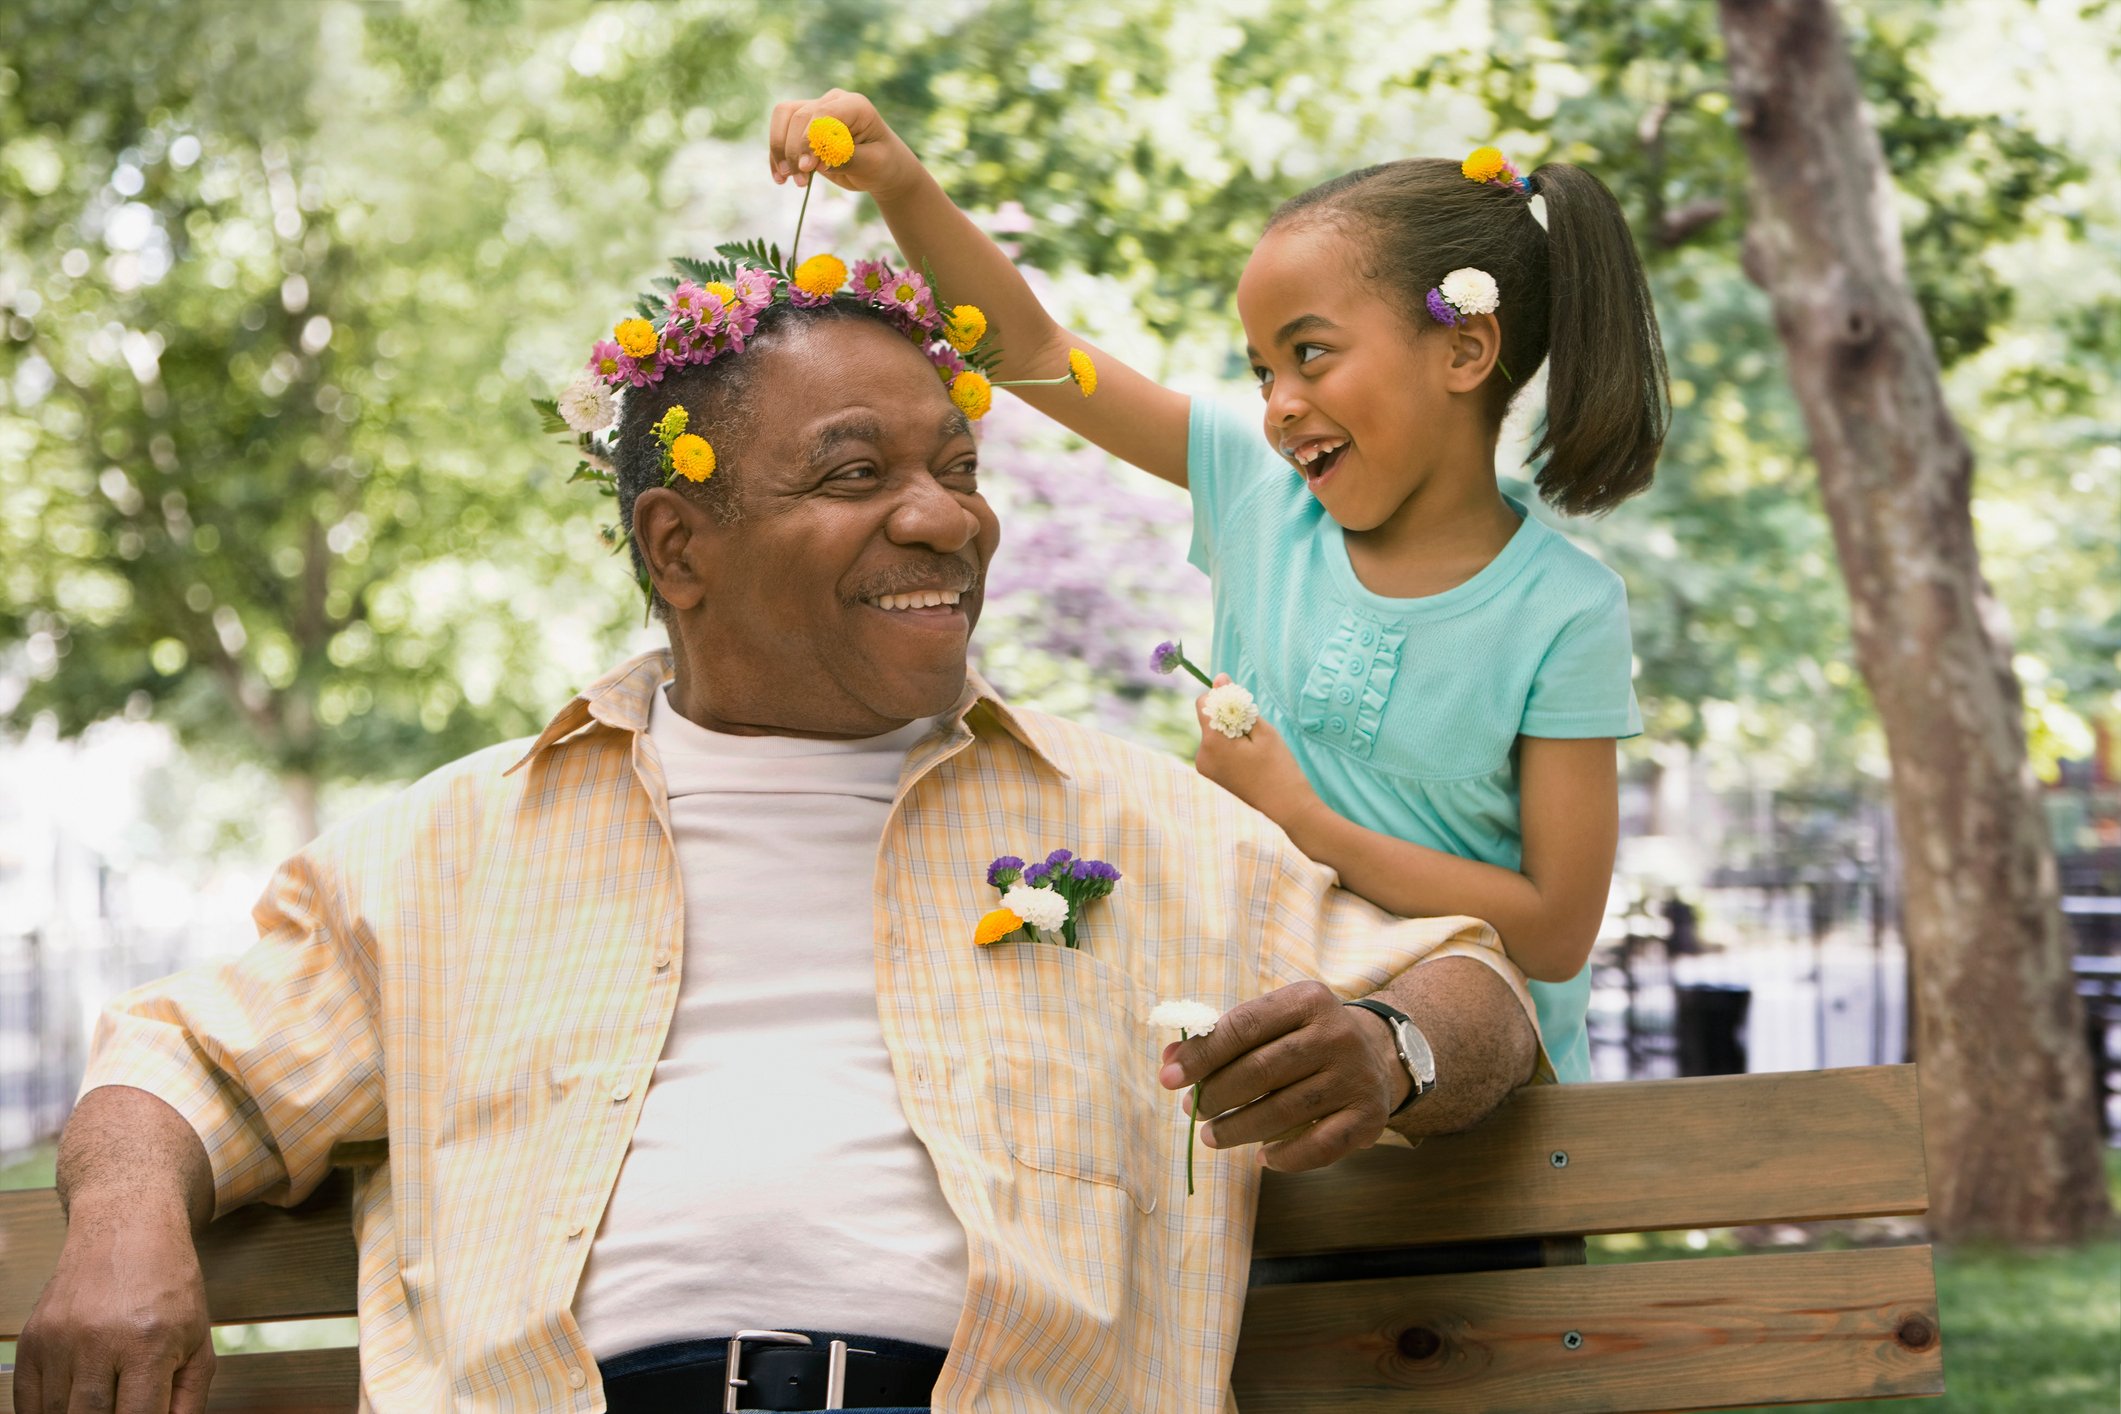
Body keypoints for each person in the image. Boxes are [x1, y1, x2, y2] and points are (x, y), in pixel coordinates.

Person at [14, 277, 1545, 1413]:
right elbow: (181, 1059)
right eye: (856, 474)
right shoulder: (449, 851)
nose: (946, 519)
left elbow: (1468, 983)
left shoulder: (1141, 823)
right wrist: (126, 1228)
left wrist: (1389, 1045)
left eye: (955, 466)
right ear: (680, 547)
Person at [769, 91, 1669, 1083]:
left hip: (1474, 1120)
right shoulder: (1260, 497)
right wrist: (898, 178)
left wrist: (1302, 817)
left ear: (1464, 350)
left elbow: (1551, 934)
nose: (1282, 404)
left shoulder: (1564, 611)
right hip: (1257, 1084)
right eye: (1262, 371)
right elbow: (1028, 354)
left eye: (1311, 354)